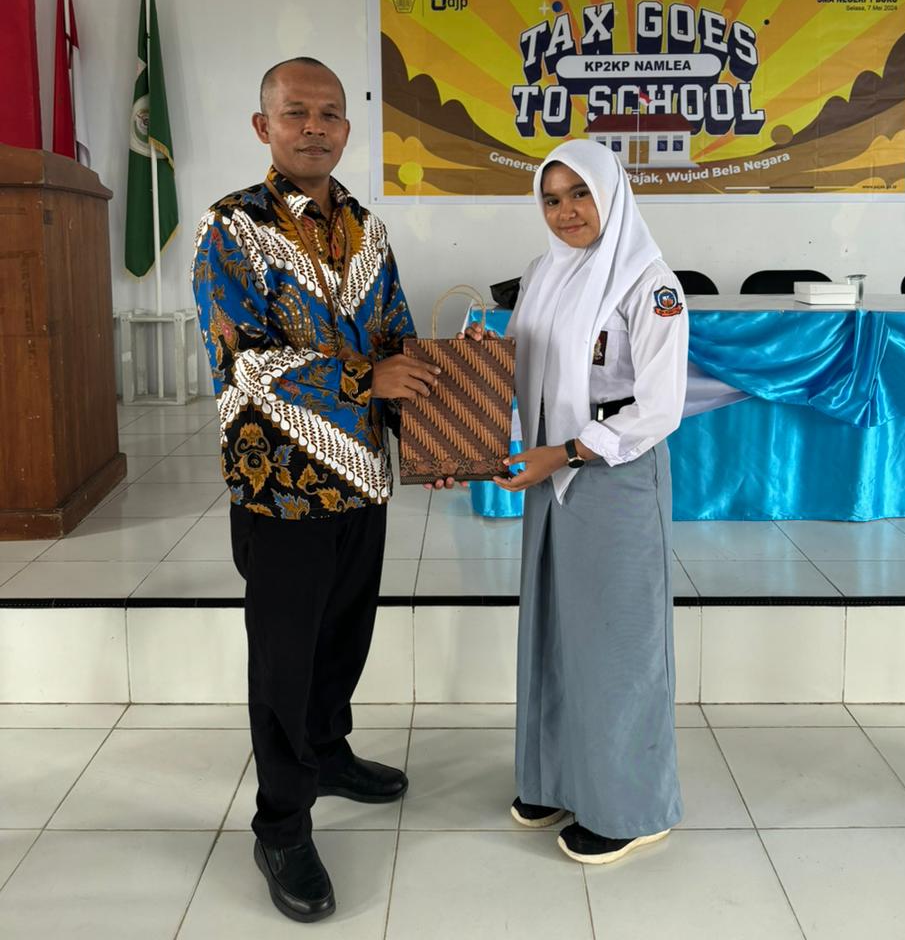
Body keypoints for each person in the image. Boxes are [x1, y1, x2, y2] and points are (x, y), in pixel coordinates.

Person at [192, 56, 445, 923]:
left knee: (343, 636)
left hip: (361, 478)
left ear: (347, 127)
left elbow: (397, 339)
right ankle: (281, 825)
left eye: (329, 113)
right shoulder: (231, 226)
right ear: (263, 126)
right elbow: (242, 358)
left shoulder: (368, 228)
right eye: (295, 112)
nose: (314, 126)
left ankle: (329, 754)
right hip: (282, 487)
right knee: (284, 660)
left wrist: (434, 441)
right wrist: (366, 381)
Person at [467, 138, 688, 865]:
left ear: (612, 194)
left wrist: (563, 453)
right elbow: (517, 367)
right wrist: (467, 426)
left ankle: (632, 806)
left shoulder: (649, 285)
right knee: (557, 631)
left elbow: (659, 407)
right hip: (548, 477)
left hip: (610, 475)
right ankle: (557, 778)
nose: (565, 212)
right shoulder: (545, 272)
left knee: (618, 642)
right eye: (552, 198)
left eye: (580, 194)